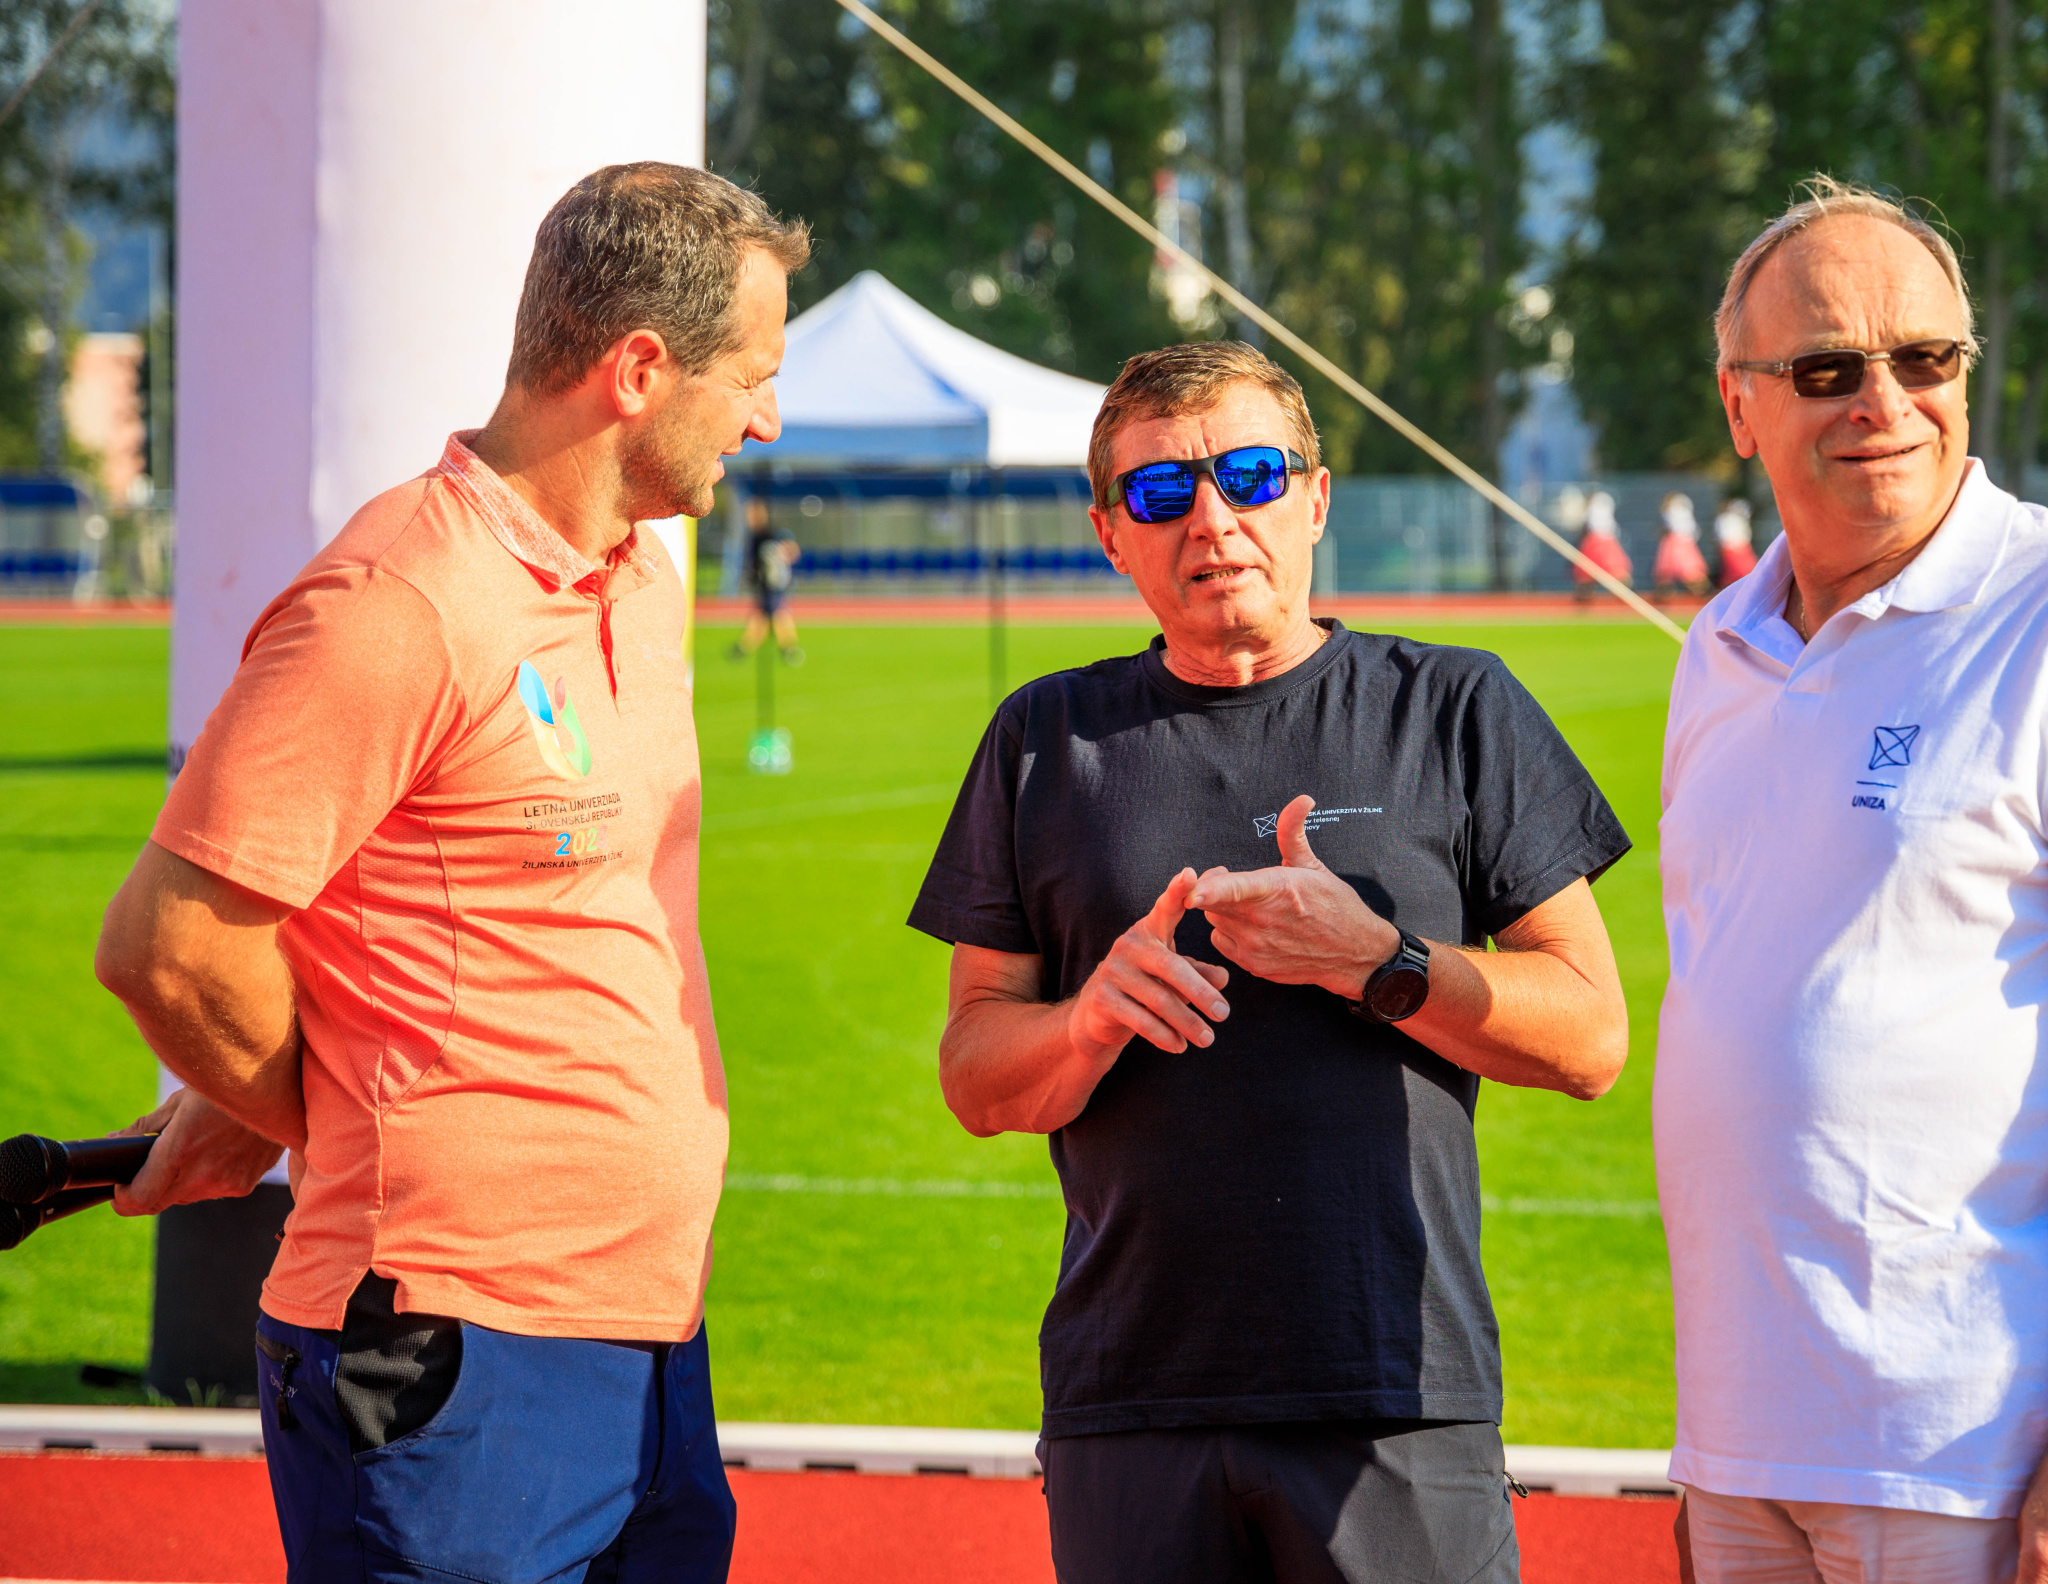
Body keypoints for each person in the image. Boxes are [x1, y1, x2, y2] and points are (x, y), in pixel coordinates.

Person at [93, 162, 807, 1583]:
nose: (765, 419)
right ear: (638, 371)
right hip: (444, 1356)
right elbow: (170, 945)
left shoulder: (638, 583)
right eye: (751, 377)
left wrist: (279, 1098)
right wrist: (309, 1107)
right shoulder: (398, 601)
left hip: (648, 1335)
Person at [908, 340, 1634, 1584]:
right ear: (1109, 534)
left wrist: (1378, 961)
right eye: (1159, 493)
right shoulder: (1043, 738)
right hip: (1129, 1398)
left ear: (1314, 497)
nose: (1210, 520)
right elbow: (976, 1074)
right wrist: (1086, 1021)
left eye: (1248, 475)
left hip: (1393, 1391)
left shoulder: (1455, 708)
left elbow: (1589, 1038)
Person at [1655, 175, 2048, 1584]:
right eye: (1826, 369)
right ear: (1739, 405)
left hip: (1978, 1460)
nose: (1884, 400)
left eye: (1924, 357)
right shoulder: (1717, 648)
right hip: (1745, 1457)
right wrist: (1714, 1455)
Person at [727, 492, 802, 661]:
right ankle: (751, 646)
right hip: (765, 583)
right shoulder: (755, 536)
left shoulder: (770, 534)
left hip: (773, 583)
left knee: (772, 615)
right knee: (769, 615)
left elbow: (792, 550)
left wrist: (781, 563)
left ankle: (750, 647)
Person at [1574, 488, 1633, 600]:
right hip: (1606, 539)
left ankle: (1586, 592)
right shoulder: (1603, 509)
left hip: (1597, 541)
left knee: (1590, 572)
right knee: (1612, 570)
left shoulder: (1594, 509)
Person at [1651, 492, 1711, 596]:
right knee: (1688, 571)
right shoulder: (1679, 512)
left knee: (1687, 572)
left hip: (1679, 543)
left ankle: (1697, 590)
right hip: (1682, 542)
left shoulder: (1673, 512)